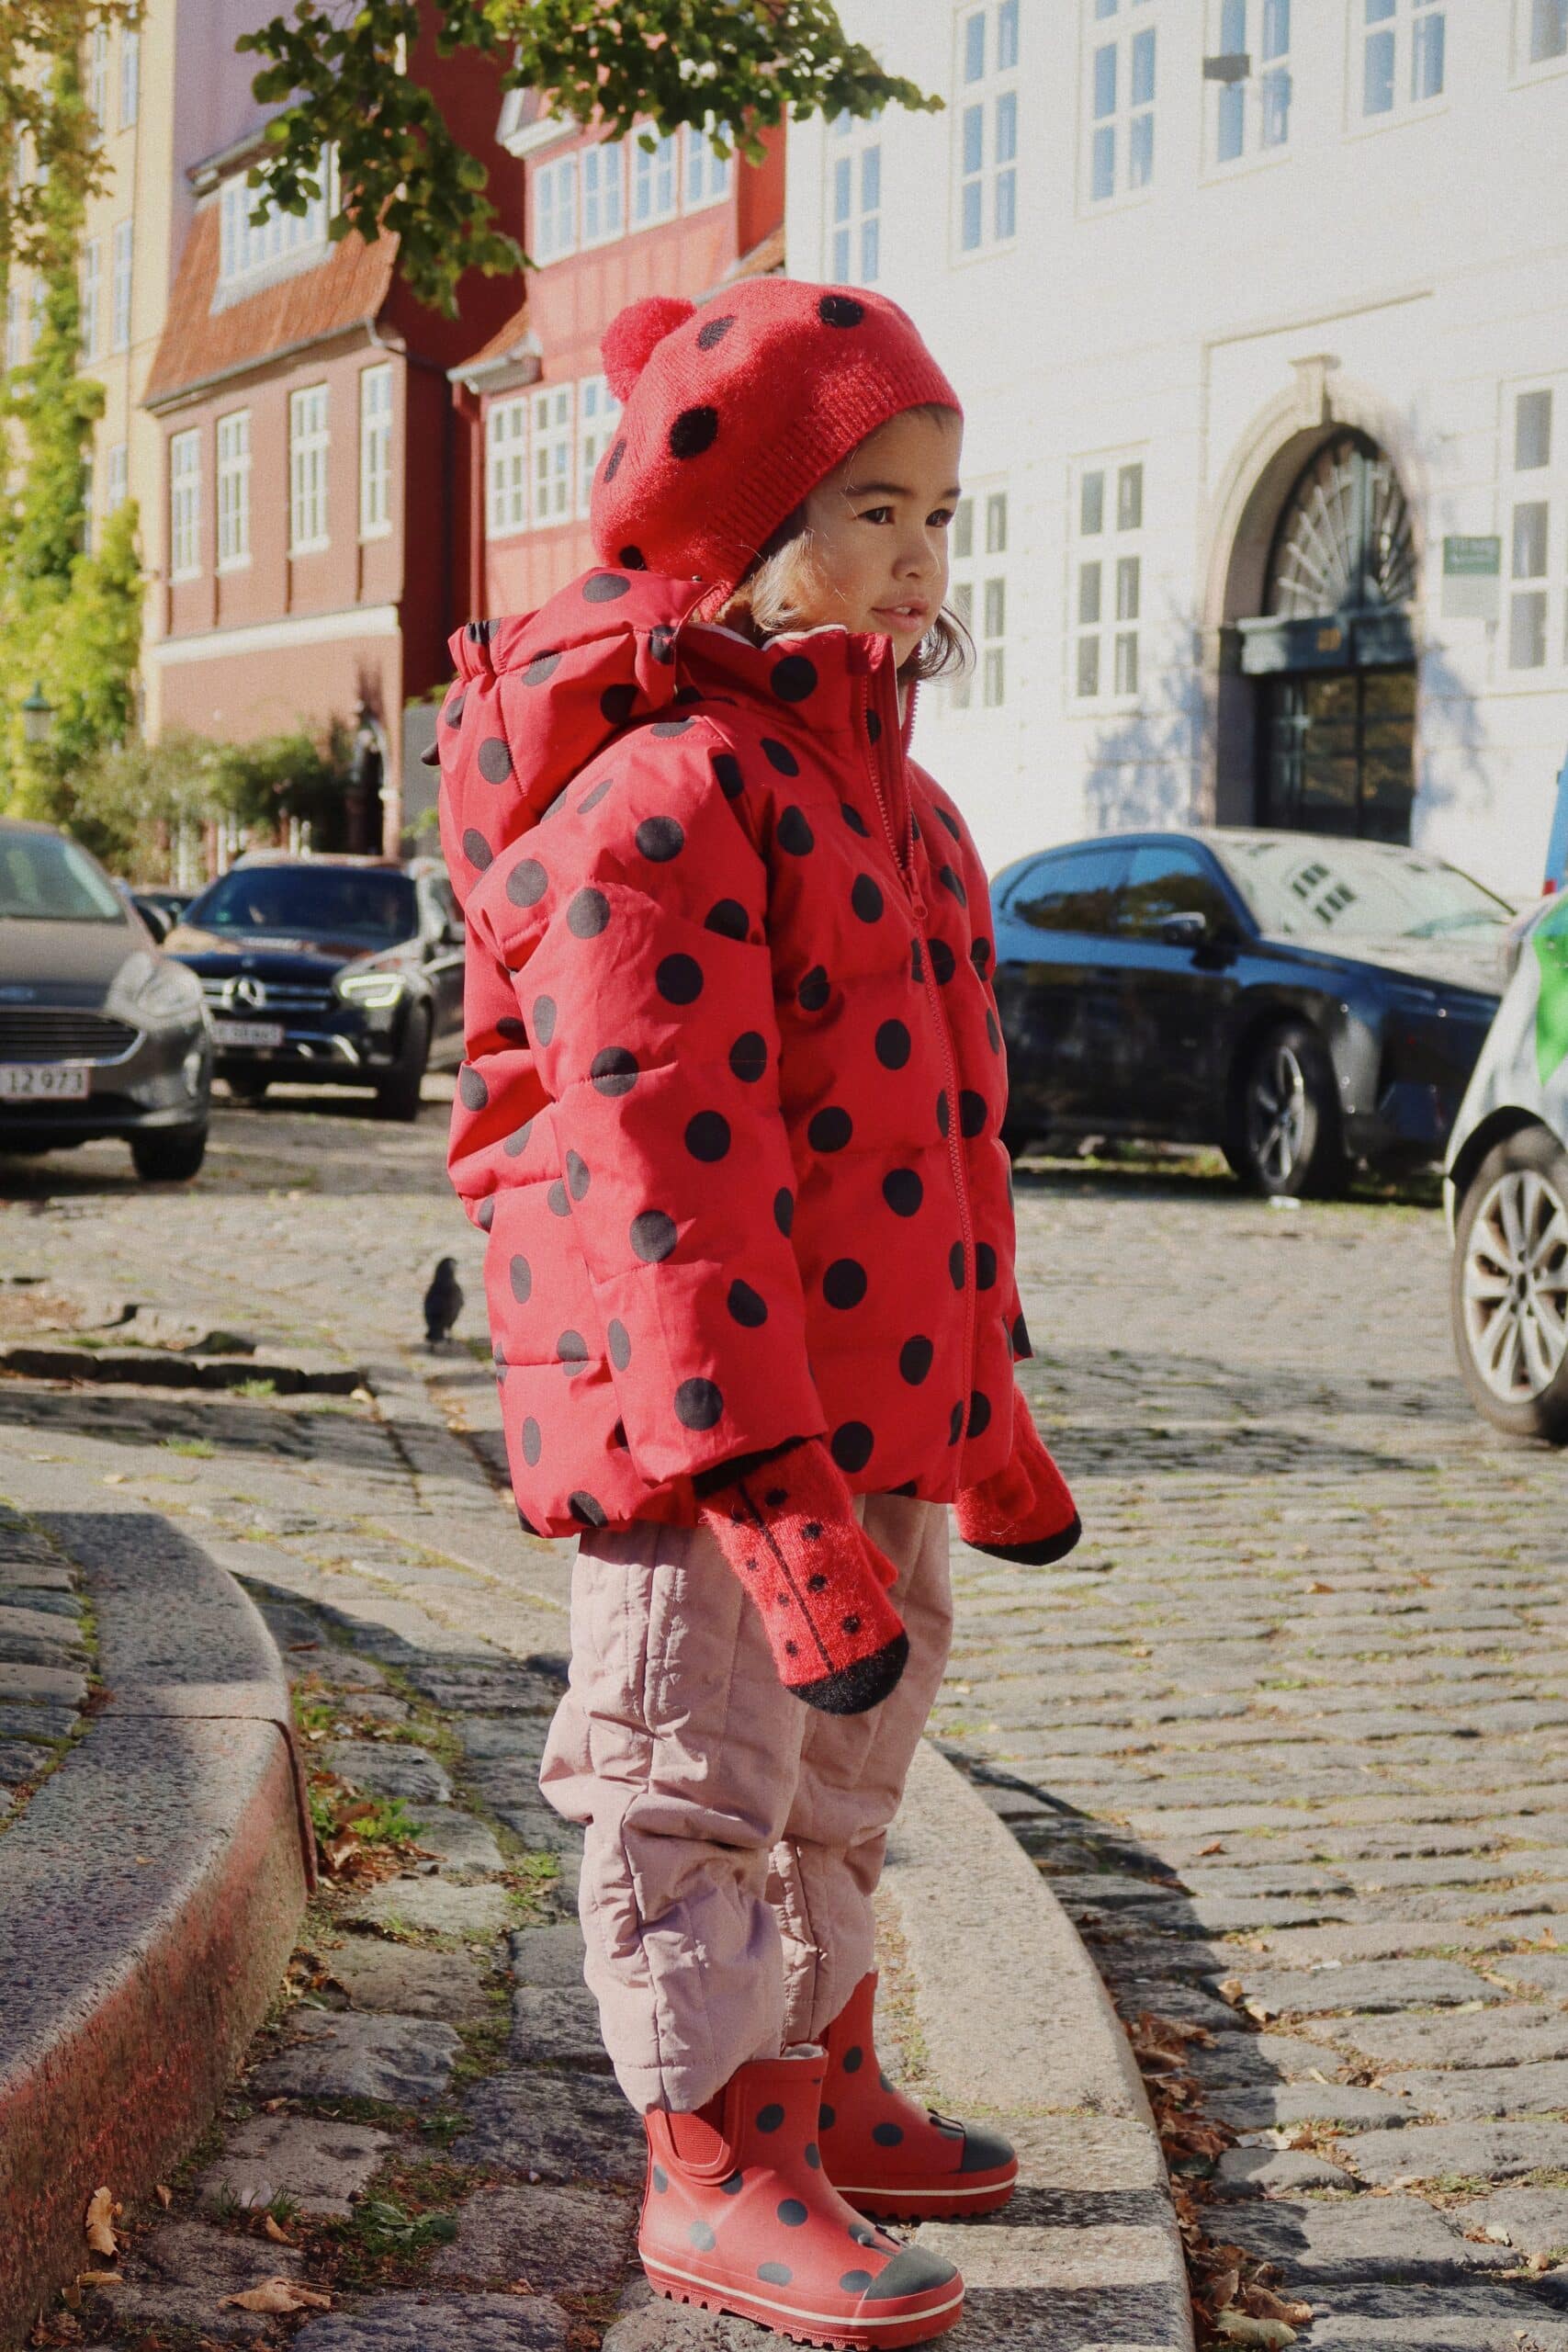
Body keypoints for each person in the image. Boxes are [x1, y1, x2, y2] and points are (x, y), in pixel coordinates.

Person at [436, 278, 1080, 2348]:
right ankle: (709, 2148)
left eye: (940, 514)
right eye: (871, 507)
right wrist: (758, 1477)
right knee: (689, 1764)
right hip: (702, 1426)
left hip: (871, 1403)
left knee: (841, 1767)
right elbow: (658, 1167)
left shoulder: (906, 804)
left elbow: (958, 1135)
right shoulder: (665, 792)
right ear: (740, 527)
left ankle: (815, 2069)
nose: (918, 555)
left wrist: (981, 1405)